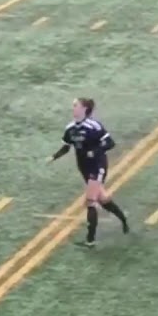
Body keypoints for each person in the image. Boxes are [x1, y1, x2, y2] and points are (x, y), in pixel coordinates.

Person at [48, 98, 129, 248]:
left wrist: (95, 151)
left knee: (90, 201)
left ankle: (90, 240)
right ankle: (123, 219)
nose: (73, 108)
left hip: (97, 166)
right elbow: (66, 146)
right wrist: (53, 157)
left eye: (75, 106)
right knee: (102, 198)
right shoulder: (70, 128)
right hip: (84, 167)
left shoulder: (94, 126)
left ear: (84, 109)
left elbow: (109, 142)